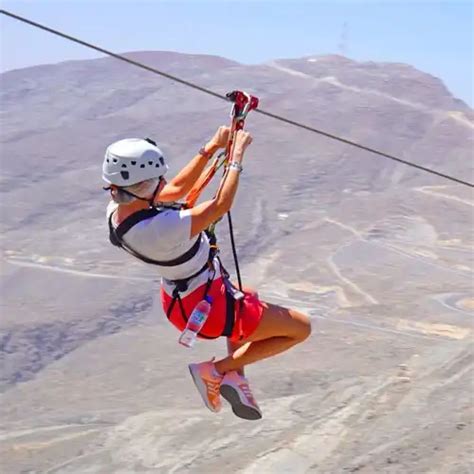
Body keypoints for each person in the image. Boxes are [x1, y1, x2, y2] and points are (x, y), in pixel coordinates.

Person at [103, 126, 311, 420]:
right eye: (155, 180)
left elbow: (175, 190)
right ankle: (215, 371)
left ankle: (235, 378)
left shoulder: (117, 211)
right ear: (142, 187)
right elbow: (220, 205)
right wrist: (236, 154)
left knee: (248, 292)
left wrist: (213, 146)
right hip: (211, 308)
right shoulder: (162, 228)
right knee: (300, 329)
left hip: (184, 302)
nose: (162, 183)